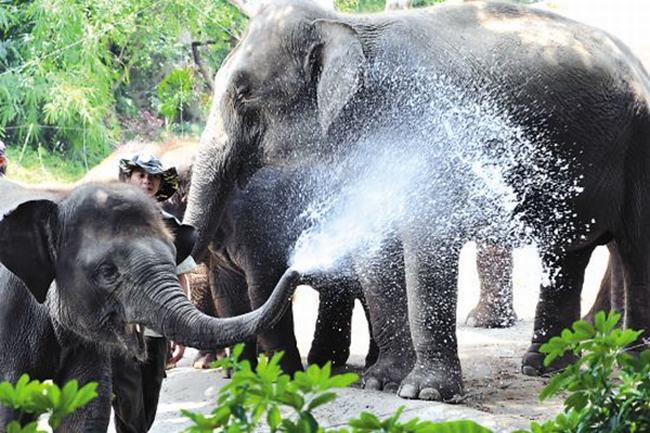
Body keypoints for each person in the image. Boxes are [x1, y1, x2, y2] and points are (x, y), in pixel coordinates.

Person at [112, 153, 197, 433]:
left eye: (153, 177)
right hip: (120, 327)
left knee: (149, 395)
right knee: (126, 397)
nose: (147, 181)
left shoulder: (170, 226)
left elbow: (180, 277)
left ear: (160, 184)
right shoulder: (108, 221)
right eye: (141, 175)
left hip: (157, 327)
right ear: (129, 178)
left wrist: (180, 326)